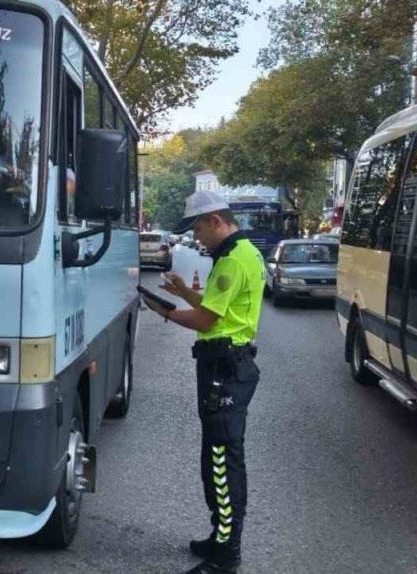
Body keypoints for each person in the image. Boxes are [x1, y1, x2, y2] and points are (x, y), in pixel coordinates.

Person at [142, 190, 265, 574]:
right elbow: (215, 309)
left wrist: (164, 310)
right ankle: (220, 536)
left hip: (224, 369)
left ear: (215, 220)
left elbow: (205, 322)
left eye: (198, 227)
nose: (196, 237)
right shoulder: (242, 253)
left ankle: (226, 555)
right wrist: (183, 293)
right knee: (217, 457)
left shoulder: (231, 261)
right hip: (228, 365)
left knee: (222, 461)